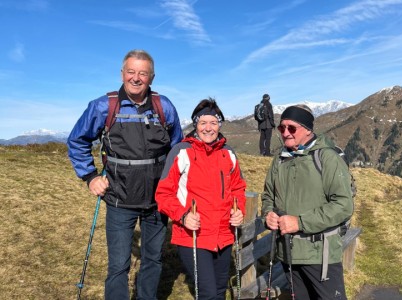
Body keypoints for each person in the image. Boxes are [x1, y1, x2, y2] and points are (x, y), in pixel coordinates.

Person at [67, 49, 183, 300]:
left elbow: (177, 149)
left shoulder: (164, 106)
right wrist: (90, 177)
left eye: (143, 73)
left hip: (158, 201)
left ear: (152, 77)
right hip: (119, 198)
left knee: (153, 259)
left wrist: (174, 187)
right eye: (131, 71)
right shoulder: (104, 106)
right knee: (119, 265)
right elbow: (77, 140)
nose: (136, 78)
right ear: (122, 73)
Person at [155, 98, 247, 299]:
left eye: (213, 123)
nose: (208, 128)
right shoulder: (181, 152)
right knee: (208, 294)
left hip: (224, 234)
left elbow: (238, 188)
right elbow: (163, 194)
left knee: (220, 292)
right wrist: (183, 215)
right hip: (193, 236)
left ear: (219, 125)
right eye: (203, 122)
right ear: (195, 125)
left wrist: (239, 210)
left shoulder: (228, 153)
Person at [261, 105, 353, 300]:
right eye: (281, 128)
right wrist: (267, 214)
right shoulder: (279, 160)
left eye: (292, 128)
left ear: (308, 130)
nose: (285, 133)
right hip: (287, 252)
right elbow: (268, 196)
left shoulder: (327, 158)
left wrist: (300, 222)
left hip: (320, 255)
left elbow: (344, 205)